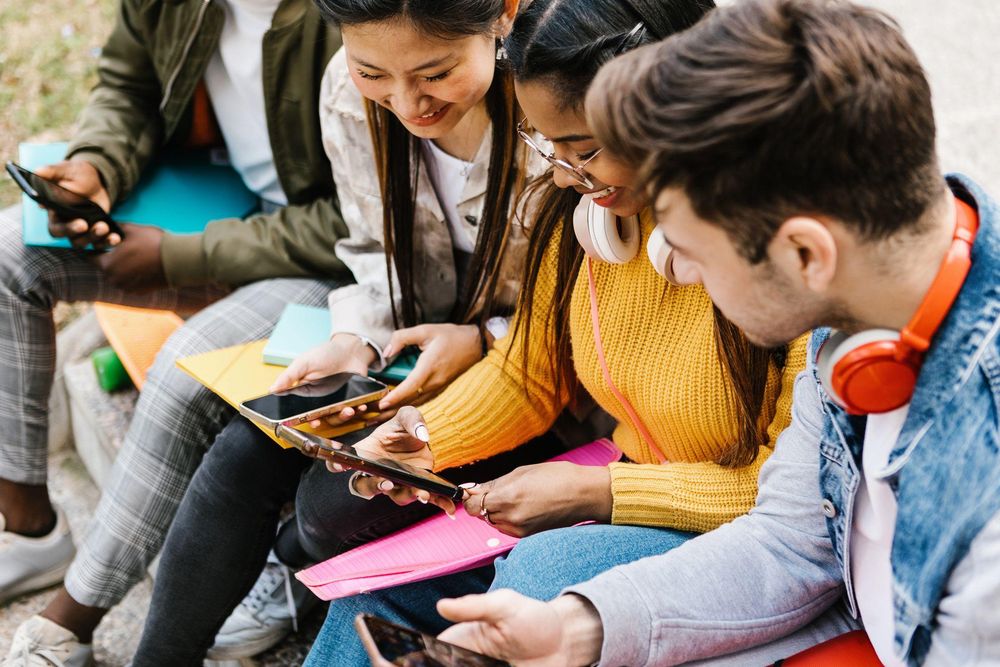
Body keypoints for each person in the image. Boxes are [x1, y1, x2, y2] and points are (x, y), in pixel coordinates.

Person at [427, 0, 1000, 665]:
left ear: (806, 254)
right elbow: (790, 539)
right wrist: (580, 629)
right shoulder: (857, 312)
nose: (680, 269)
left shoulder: (987, 522)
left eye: (693, 249)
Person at [302, 1, 811, 665]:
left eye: (585, 150)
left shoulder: (783, 253)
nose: (565, 175)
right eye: (548, 146)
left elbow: (791, 500)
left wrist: (597, 494)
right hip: (628, 484)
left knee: (543, 572)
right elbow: (525, 372)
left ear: (674, 109)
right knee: (374, 591)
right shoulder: (582, 217)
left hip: (737, 534)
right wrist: (426, 440)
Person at [127, 0, 566, 663]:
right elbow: (369, 243)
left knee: (330, 507)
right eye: (374, 72)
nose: (408, 102)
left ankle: (295, 563)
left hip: (532, 379)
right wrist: (358, 336)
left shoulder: (554, 112)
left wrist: (485, 339)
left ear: (502, 14)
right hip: (410, 354)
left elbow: (589, 304)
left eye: (435, 72)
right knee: (248, 447)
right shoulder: (347, 93)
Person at [2, 0, 349, 663]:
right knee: (12, 255)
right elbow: (127, 83)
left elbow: (358, 218)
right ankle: (29, 525)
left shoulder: (345, 19)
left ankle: (70, 620)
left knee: (184, 362)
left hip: (325, 256)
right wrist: (97, 166)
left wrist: (177, 257)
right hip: (220, 202)